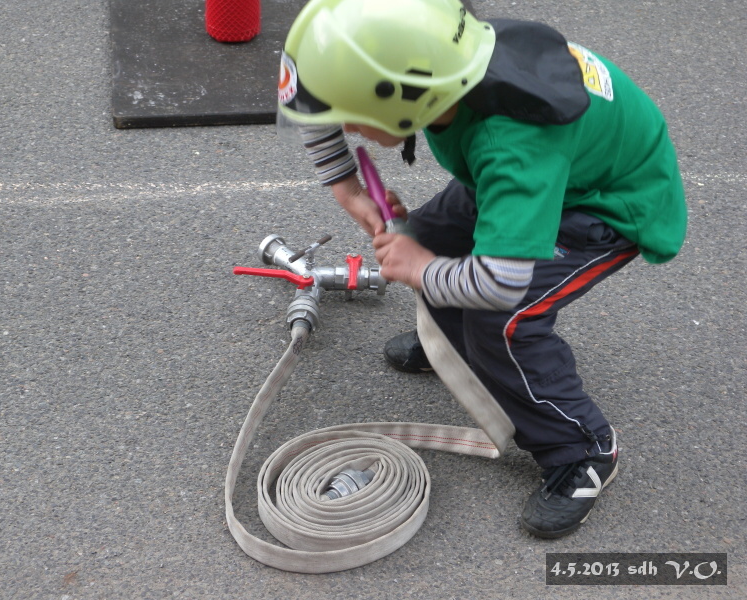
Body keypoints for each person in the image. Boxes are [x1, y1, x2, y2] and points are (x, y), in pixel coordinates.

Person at [277, 0, 686, 539]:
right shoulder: (443, 65)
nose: (342, 126)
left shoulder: (511, 145)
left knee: (500, 321)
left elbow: (500, 283)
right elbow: (318, 101)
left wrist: (422, 269)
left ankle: (583, 449)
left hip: (604, 206)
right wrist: (350, 190)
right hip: (549, 174)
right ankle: (465, 353)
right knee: (426, 241)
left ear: (405, 100)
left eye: (350, 115)